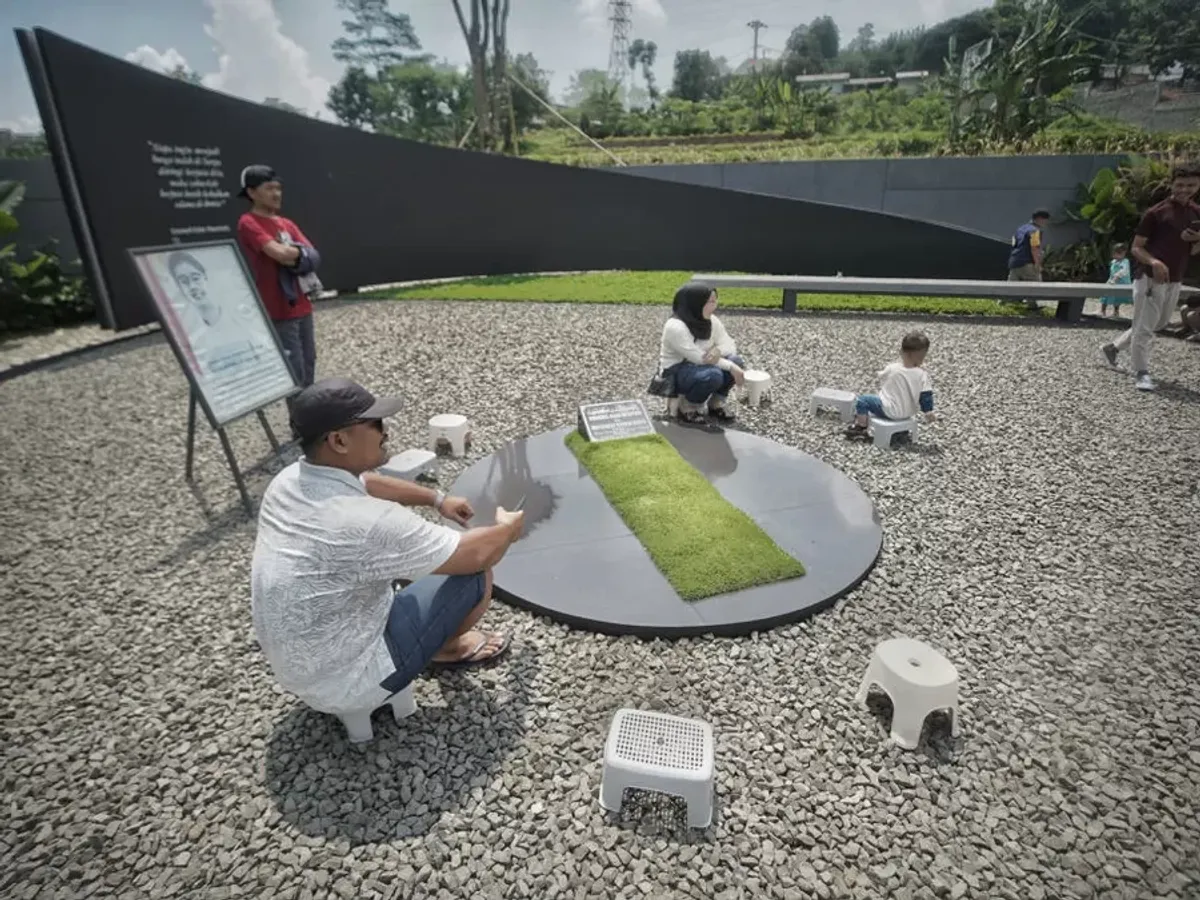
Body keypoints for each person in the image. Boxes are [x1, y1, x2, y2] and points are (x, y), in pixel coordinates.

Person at [250, 377, 523, 718]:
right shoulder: (367, 522)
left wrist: (436, 499)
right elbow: (477, 554)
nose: (386, 431)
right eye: (375, 423)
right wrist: (507, 529)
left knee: (414, 559)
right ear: (339, 440)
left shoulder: (289, 480)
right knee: (475, 576)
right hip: (353, 684)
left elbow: (367, 482)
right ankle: (448, 649)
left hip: (300, 669)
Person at [1101, 163, 1200, 391]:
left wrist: (1195, 240)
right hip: (1149, 278)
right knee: (1145, 328)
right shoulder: (1156, 213)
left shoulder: (1196, 212)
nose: (1185, 189)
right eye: (1180, 185)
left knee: (1159, 323)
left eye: (1191, 185)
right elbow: (1136, 247)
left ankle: (1113, 348)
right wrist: (1154, 262)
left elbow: (1193, 251)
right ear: (1171, 184)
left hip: (1175, 277)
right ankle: (1141, 372)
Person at [236, 164, 320, 391]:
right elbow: (280, 254)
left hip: (302, 304)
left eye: (278, 188)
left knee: (309, 361)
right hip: (279, 308)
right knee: (295, 369)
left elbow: (312, 255)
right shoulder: (248, 222)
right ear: (251, 193)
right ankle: (299, 423)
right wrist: (296, 253)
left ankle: (310, 415)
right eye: (269, 188)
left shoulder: (286, 223)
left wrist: (292, 254)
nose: (276, 194)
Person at [658, 282, 746, 424]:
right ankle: (687, 406)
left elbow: (729, 343)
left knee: (736, 360)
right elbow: (700, 358)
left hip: (701, 365)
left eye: (715, 300)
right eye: (710, 301)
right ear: (695, 303)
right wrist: (731, 367)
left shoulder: (711, 320)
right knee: (714, 374)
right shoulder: (675, 327)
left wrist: (718, 350)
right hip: (677, 370)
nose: (715, 305)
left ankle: (716, 403)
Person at [845, 331, 936, 441]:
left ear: (902, 352)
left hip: (889, 411)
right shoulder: (922, 375)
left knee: (862, 400)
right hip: (907, 413)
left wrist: (877, 373)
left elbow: (881, 376)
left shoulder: (893, 368)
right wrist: (928, 411)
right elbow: (926, 395)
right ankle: (902, 430)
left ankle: (861, 427)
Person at [1007, 209, 1051, 311]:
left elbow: (1014, 243)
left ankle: (1004, 303)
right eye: (1045, 220)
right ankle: (1032, 306)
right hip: (1027, 262)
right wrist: (1037, 264)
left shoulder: (1020, 229)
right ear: (1040, 219)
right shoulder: (1034, 231)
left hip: (1014, 261)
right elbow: (1034, 248)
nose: (1046, 223)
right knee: (1035, 284)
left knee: (1010, 286)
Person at [1099, 243, 1132, 318]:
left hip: (1121, 282)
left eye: (1119, 253)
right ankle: (1102, 310)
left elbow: (1124, 271)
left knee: (1118, 298)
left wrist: (1117, 276)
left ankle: (1116, 311)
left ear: (1124, 253)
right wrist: (1113, 278)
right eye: (1115, 253)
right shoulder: (1113, 262)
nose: (1117, 255)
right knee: (1105, 295)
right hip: (1111, 281)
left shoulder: (1125, 261)